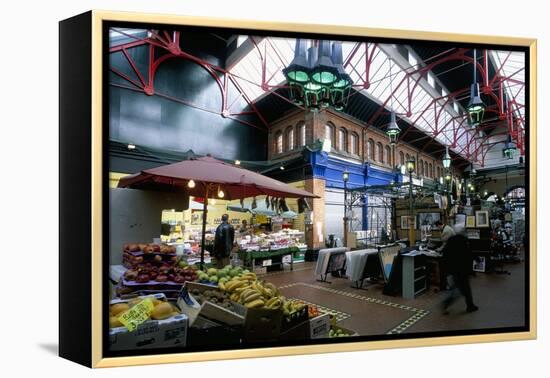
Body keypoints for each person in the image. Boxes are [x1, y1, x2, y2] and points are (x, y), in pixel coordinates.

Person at [441, 226, 479, 314]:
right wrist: (477, 259)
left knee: (458, 288)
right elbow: (469, 253)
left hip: (453, 269)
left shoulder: (451, 240)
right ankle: (469, 306)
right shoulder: (464, 240)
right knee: (463, 289)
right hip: (462, 269)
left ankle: (469, 305)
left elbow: (446, 254)